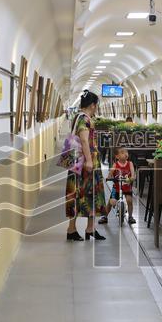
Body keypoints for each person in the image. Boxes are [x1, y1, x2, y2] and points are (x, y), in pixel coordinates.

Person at [65, 91, 107, 241]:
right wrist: (89, 161)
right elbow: (84, 140)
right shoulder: (84, 119)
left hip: (79, 163)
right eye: (96, 105)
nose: (96, 108)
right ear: (92, 105)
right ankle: (72, 229)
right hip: (85, 163)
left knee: (90, 195)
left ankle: (90, 228)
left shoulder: (79, 117)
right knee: (82, 193)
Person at [99, 146, 136, 225]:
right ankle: (105, 216)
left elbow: (133, 174)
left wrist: (132, 178)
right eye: (122, 153)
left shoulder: (130, 164)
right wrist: (109, 177)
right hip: (117, 187)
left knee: (129, 201)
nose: (125, 154)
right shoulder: (115, 165)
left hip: (127, 187)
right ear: (117, 156)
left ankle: (130, 216)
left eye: (126, 152)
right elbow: (110, 174)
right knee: (111, 202)